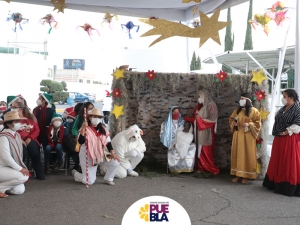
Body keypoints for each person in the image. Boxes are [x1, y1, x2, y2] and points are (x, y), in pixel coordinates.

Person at [263, 89, 300, 196]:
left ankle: (288, 184)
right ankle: (276, 182)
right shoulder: (283, 108)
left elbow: (298, 124)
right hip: (279, 137)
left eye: (284, 96)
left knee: (288, 160)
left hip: (289, 138)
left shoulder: (297, 108)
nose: (283, 98)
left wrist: (286, 131)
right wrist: (280, 132)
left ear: (291, 97)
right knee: (278, 159)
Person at [73, 108, 120, 186]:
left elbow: (108, 142)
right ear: (90, 117)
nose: (96, 119)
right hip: (88, 156)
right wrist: (83, 128)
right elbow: (81, 142)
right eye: (94, 116)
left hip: (101, 154)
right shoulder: (84, 128)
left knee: (115, 162)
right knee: (89, 181)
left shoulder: (103, 129)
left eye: (99, 117)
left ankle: (108, 178)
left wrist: (112, 152)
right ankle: (75, 173)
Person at [185, 90, 219, 177]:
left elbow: (212, 120)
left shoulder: (211, 105)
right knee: (199, 150)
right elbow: (195, 118)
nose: (198, 99)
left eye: (200, 97)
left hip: (207, 133)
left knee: (205, 151)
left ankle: (208, 168)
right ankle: (200, 167)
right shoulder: (201, 106)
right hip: (199, 131)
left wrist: (199, 120)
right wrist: (187, 119)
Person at [229, 93, 261, 184]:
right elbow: (231, 119)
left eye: (243, 98)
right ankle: (238, 174)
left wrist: (249, 124)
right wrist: (233, 124)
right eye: (240, 98)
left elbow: (258, 124)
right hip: (238, 134)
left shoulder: (254, 111)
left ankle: (247, 175)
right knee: (238, 154)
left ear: (248, 100)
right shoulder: (237, 111)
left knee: (247, 155)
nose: (241, 100)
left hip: (248, 136)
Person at [12, 101, 45, 180]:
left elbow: (37, 130)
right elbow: (11, 131)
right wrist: (19, 139)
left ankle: (39, 172)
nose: (12, 108)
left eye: (14, 107)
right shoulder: (12, 119)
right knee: (23, 152)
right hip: (18, 139)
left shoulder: (30, 118)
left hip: (30, 138)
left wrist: (30, 138)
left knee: (34, 151)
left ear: (21, 108)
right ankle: (20, 175)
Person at [0, 111, 30, 197]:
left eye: (18, 121)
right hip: (2, 167)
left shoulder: (17, 135)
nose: (19, 123)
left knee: (19, 190)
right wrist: (20, 168)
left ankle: (2, 188)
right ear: (9, 124)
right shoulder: (3, 137)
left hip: (9, 168)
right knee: (23, 177)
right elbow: (6, 157)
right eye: (16, 122)